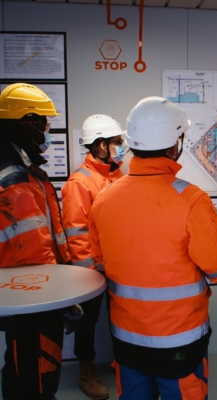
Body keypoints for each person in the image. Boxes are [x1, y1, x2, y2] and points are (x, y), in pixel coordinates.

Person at [88, 96, 217, 400]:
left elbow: (100, 260)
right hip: (179, 339)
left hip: (127, 336)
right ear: (175, 144)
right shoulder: (190, 199)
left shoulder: (104, 198)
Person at [0, 83, 71, 399]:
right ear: (26, 123)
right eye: (44, 123)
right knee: (36, 372)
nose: (47, 130)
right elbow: (32, 253)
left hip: (25, 292)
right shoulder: (14, 179)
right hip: (33, 298)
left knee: (18, 364)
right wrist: (61, 297)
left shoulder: (21, 167)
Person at [62, 114, 126, 400]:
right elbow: (76, 233)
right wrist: (90, 273)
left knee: (125, 318)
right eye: (117, 142)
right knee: (87, 325)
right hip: (93, 271)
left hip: (121, 266)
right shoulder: (80, 182)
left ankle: (124, 364)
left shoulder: (119, 176)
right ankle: (86, 372)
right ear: (101, 145)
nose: (122, 146)